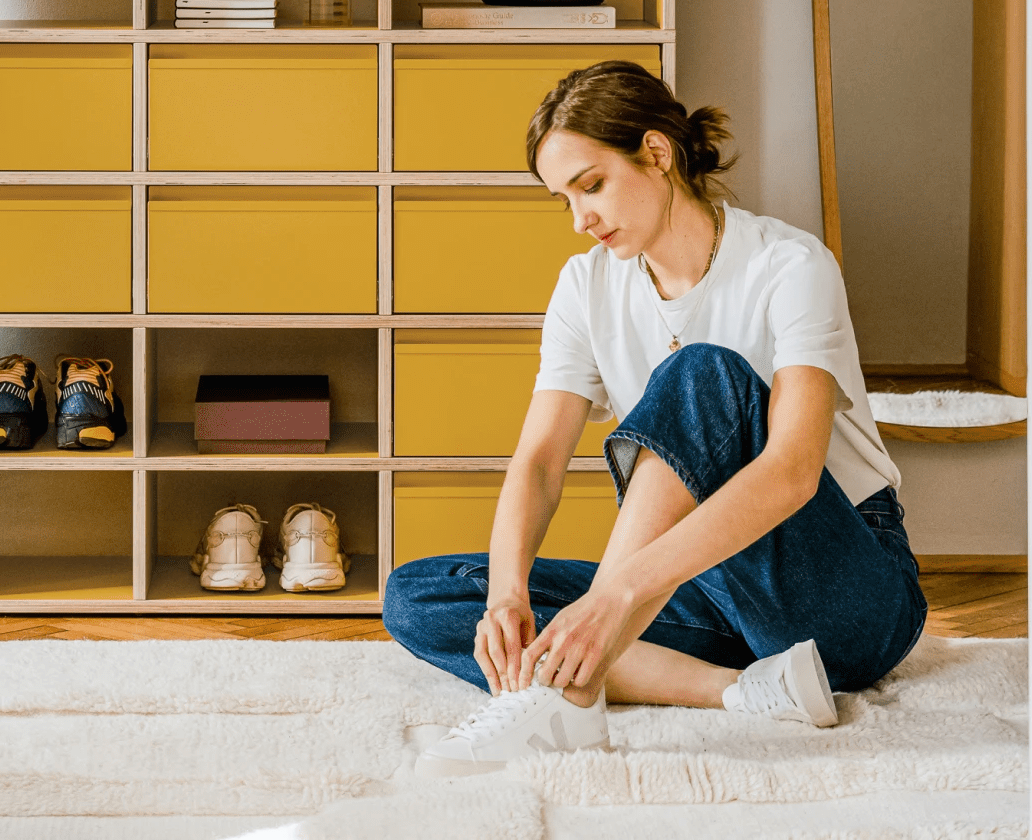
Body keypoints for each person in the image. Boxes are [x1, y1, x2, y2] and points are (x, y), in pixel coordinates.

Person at [383, 61, 926, 778]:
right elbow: (542, 461)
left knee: (703, 373)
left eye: (592, 185)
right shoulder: (585, 285)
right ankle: (739, 690)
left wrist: (616, 597)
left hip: (842, 592)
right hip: (708, 592)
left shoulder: (790, 266)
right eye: (564, 201)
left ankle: (569, 694)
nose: (580, 220)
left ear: (658, 154)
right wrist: (509, 594)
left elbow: (793, 472)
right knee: (427, 595)